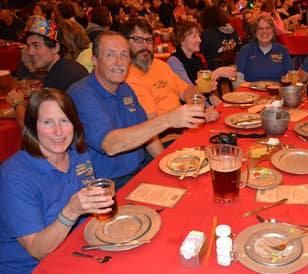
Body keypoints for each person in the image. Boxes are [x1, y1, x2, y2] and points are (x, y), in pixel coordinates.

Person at [0, 88, 133, 274]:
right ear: (32, 126)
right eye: (47, 122)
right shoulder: (15, 176)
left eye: (65, 121)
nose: (59, 132)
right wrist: (70, 211)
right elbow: (37, 250)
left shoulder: (78, 155)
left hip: (73, 254)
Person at [67, 31, 205, 188]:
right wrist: (168, 120)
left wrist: (169, 167)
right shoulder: (81, 94)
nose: (119, 62)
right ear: (95, 60)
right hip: (107, 185)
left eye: (124, 55)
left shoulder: (124, 88)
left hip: (139, 172)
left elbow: (147, 134)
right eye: (110, 55)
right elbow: (110, 145)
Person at [120, 18, 216, 121]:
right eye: (138, 39)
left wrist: (203, 87)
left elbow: (186, 92)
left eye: (149, 40)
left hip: (183, 125)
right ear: (124, 42)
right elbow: (151, 123)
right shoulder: (126, 78)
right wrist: (199, 118)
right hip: (165, 133)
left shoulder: (160, 65)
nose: (145, 45)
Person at [6, 16, 89, 127]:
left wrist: (17, 102)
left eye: (36, 46)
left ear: (56, 48)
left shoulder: (59, 78)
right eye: (29, 46)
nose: (30, 52)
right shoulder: (68, 67)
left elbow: (32, 127)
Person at [167, 19, 236, 107]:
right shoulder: (174, 62)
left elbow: (209, 96)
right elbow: (191, 95)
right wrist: (215, 74)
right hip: (190, 111)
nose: (199, 40)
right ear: (181, 39)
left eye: (199, 36)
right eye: (194, 37)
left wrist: (224, 107)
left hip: (204, 107)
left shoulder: (196, 59)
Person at [236, 15, 293, 82]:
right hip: (251, 91)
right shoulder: (245, 50)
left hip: (276, 91)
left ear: (273, 31)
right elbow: (238, 78)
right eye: (260, 28)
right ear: (255, 32)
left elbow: (290, 76)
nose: (264, 31)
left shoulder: (283, 50)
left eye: (268, 28)